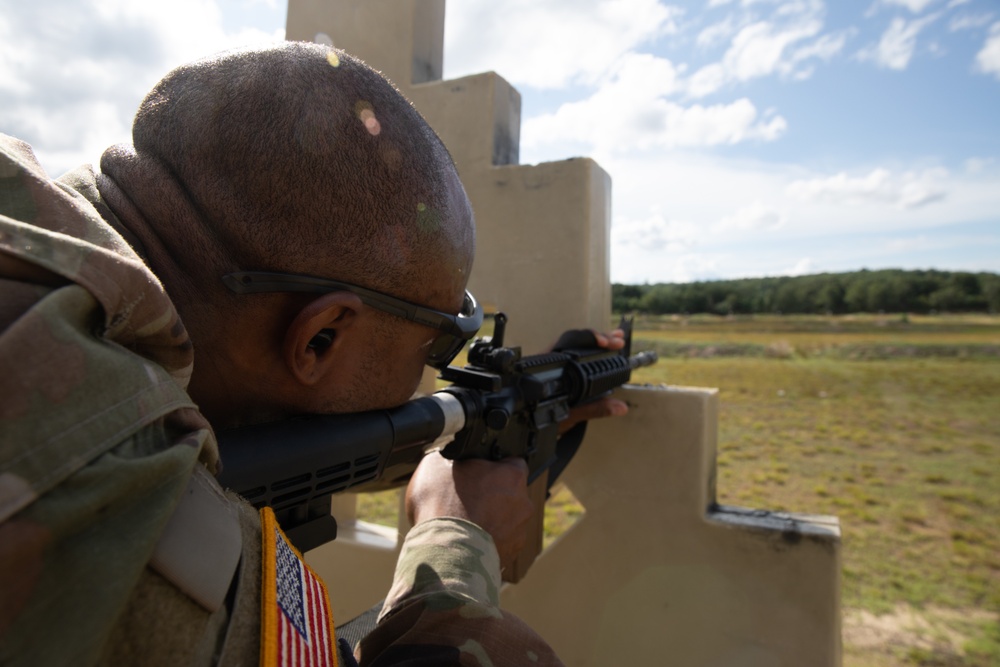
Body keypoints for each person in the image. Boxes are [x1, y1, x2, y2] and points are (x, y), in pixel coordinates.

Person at [0, 42, 624, 666]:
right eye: (438, 342)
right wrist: (458, 545)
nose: (430, 370)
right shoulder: (117, 501)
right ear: (320, 336)